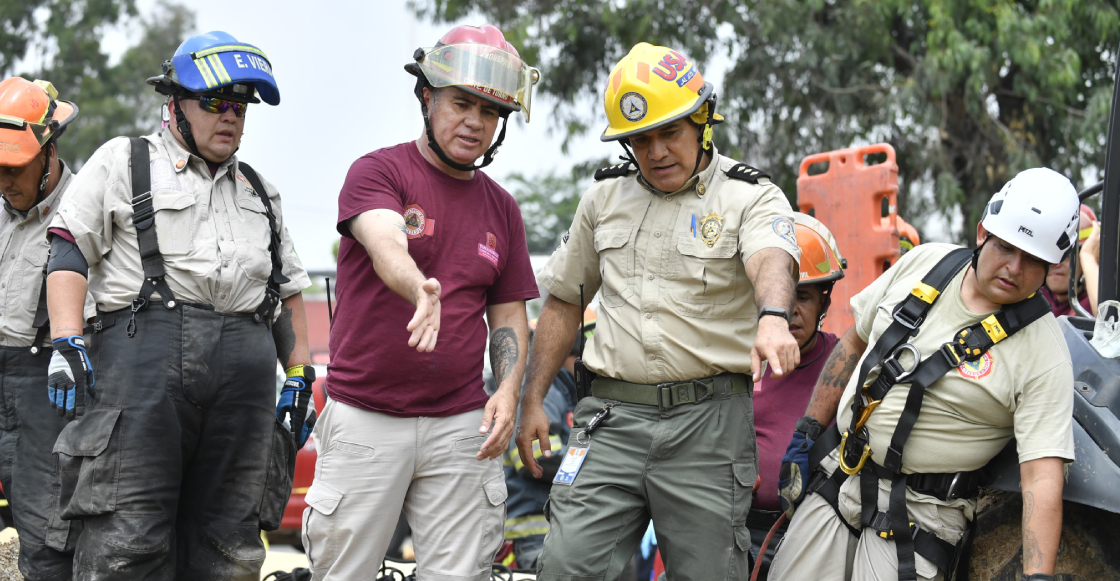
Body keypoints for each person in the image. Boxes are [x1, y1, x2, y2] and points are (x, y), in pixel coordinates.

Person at [518, 42, 801, 581]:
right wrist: (532, 399)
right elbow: (564, 300)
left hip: (708, 426)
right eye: (640, 140)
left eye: (669, 132)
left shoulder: (750, 196)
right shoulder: (603, 198)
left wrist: (772, 317)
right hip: (610, 419)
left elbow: (772, 257)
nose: (656, 152)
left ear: (702, 122)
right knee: (564, 567)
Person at [45, 31, 312, 580]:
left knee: (229, 548)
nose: (230, 116)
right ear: (175, 104)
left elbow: (286, 291)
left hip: (244, 385)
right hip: (142, 374)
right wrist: (66, 341)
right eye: (215, 103)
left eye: (239, 106)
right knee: (128, 538)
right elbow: (68, 247)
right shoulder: (125, 161)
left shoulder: (260, 191)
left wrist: (299, 374)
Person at [303, 24, 541, 581]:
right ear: (427, 97)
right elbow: (385, 239)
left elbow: (509, 312)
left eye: (490, 111)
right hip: (365, 418)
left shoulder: (503, 209)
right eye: (462, 103)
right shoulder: (379, 171)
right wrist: (419, 287)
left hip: (461, 425)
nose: (475, 122)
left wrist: (508, 391)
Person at [772, 167, 1079, 581]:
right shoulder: (925, 262)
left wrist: (1037, 576)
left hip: (920, 516)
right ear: (982, 232)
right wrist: (808, 430)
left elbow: (1042, 476)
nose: (1014, 267)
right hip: (841, 477)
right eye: (1006, 247)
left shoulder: (1045, 353)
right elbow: (854, 341)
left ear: (1053, 265)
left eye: (1033, 259)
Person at [0, 77, 90, 581]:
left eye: (13, 169)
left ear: (48, 152)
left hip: (48, 386)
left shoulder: (85, 211)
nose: (4, 181)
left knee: (45, 539)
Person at [750, 213, 845, 579]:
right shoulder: (731, 361)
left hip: (815, 538)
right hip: (731, 531)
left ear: (825, 302)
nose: (788, 309)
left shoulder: (844, 365)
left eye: (802, 296)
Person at [500, 311, 592, 570]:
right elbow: (538, 457)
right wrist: (597, 468)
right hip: (534, 536)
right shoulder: (545, 392)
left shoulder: (569, 393)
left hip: (554, 532)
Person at [1039, 204, 1096, 317]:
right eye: (1051, 255)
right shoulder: (1035, 297)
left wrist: (1089, 257)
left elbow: (1107, 321)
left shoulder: (1094, 302)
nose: (1056, 264)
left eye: (1066, 256)